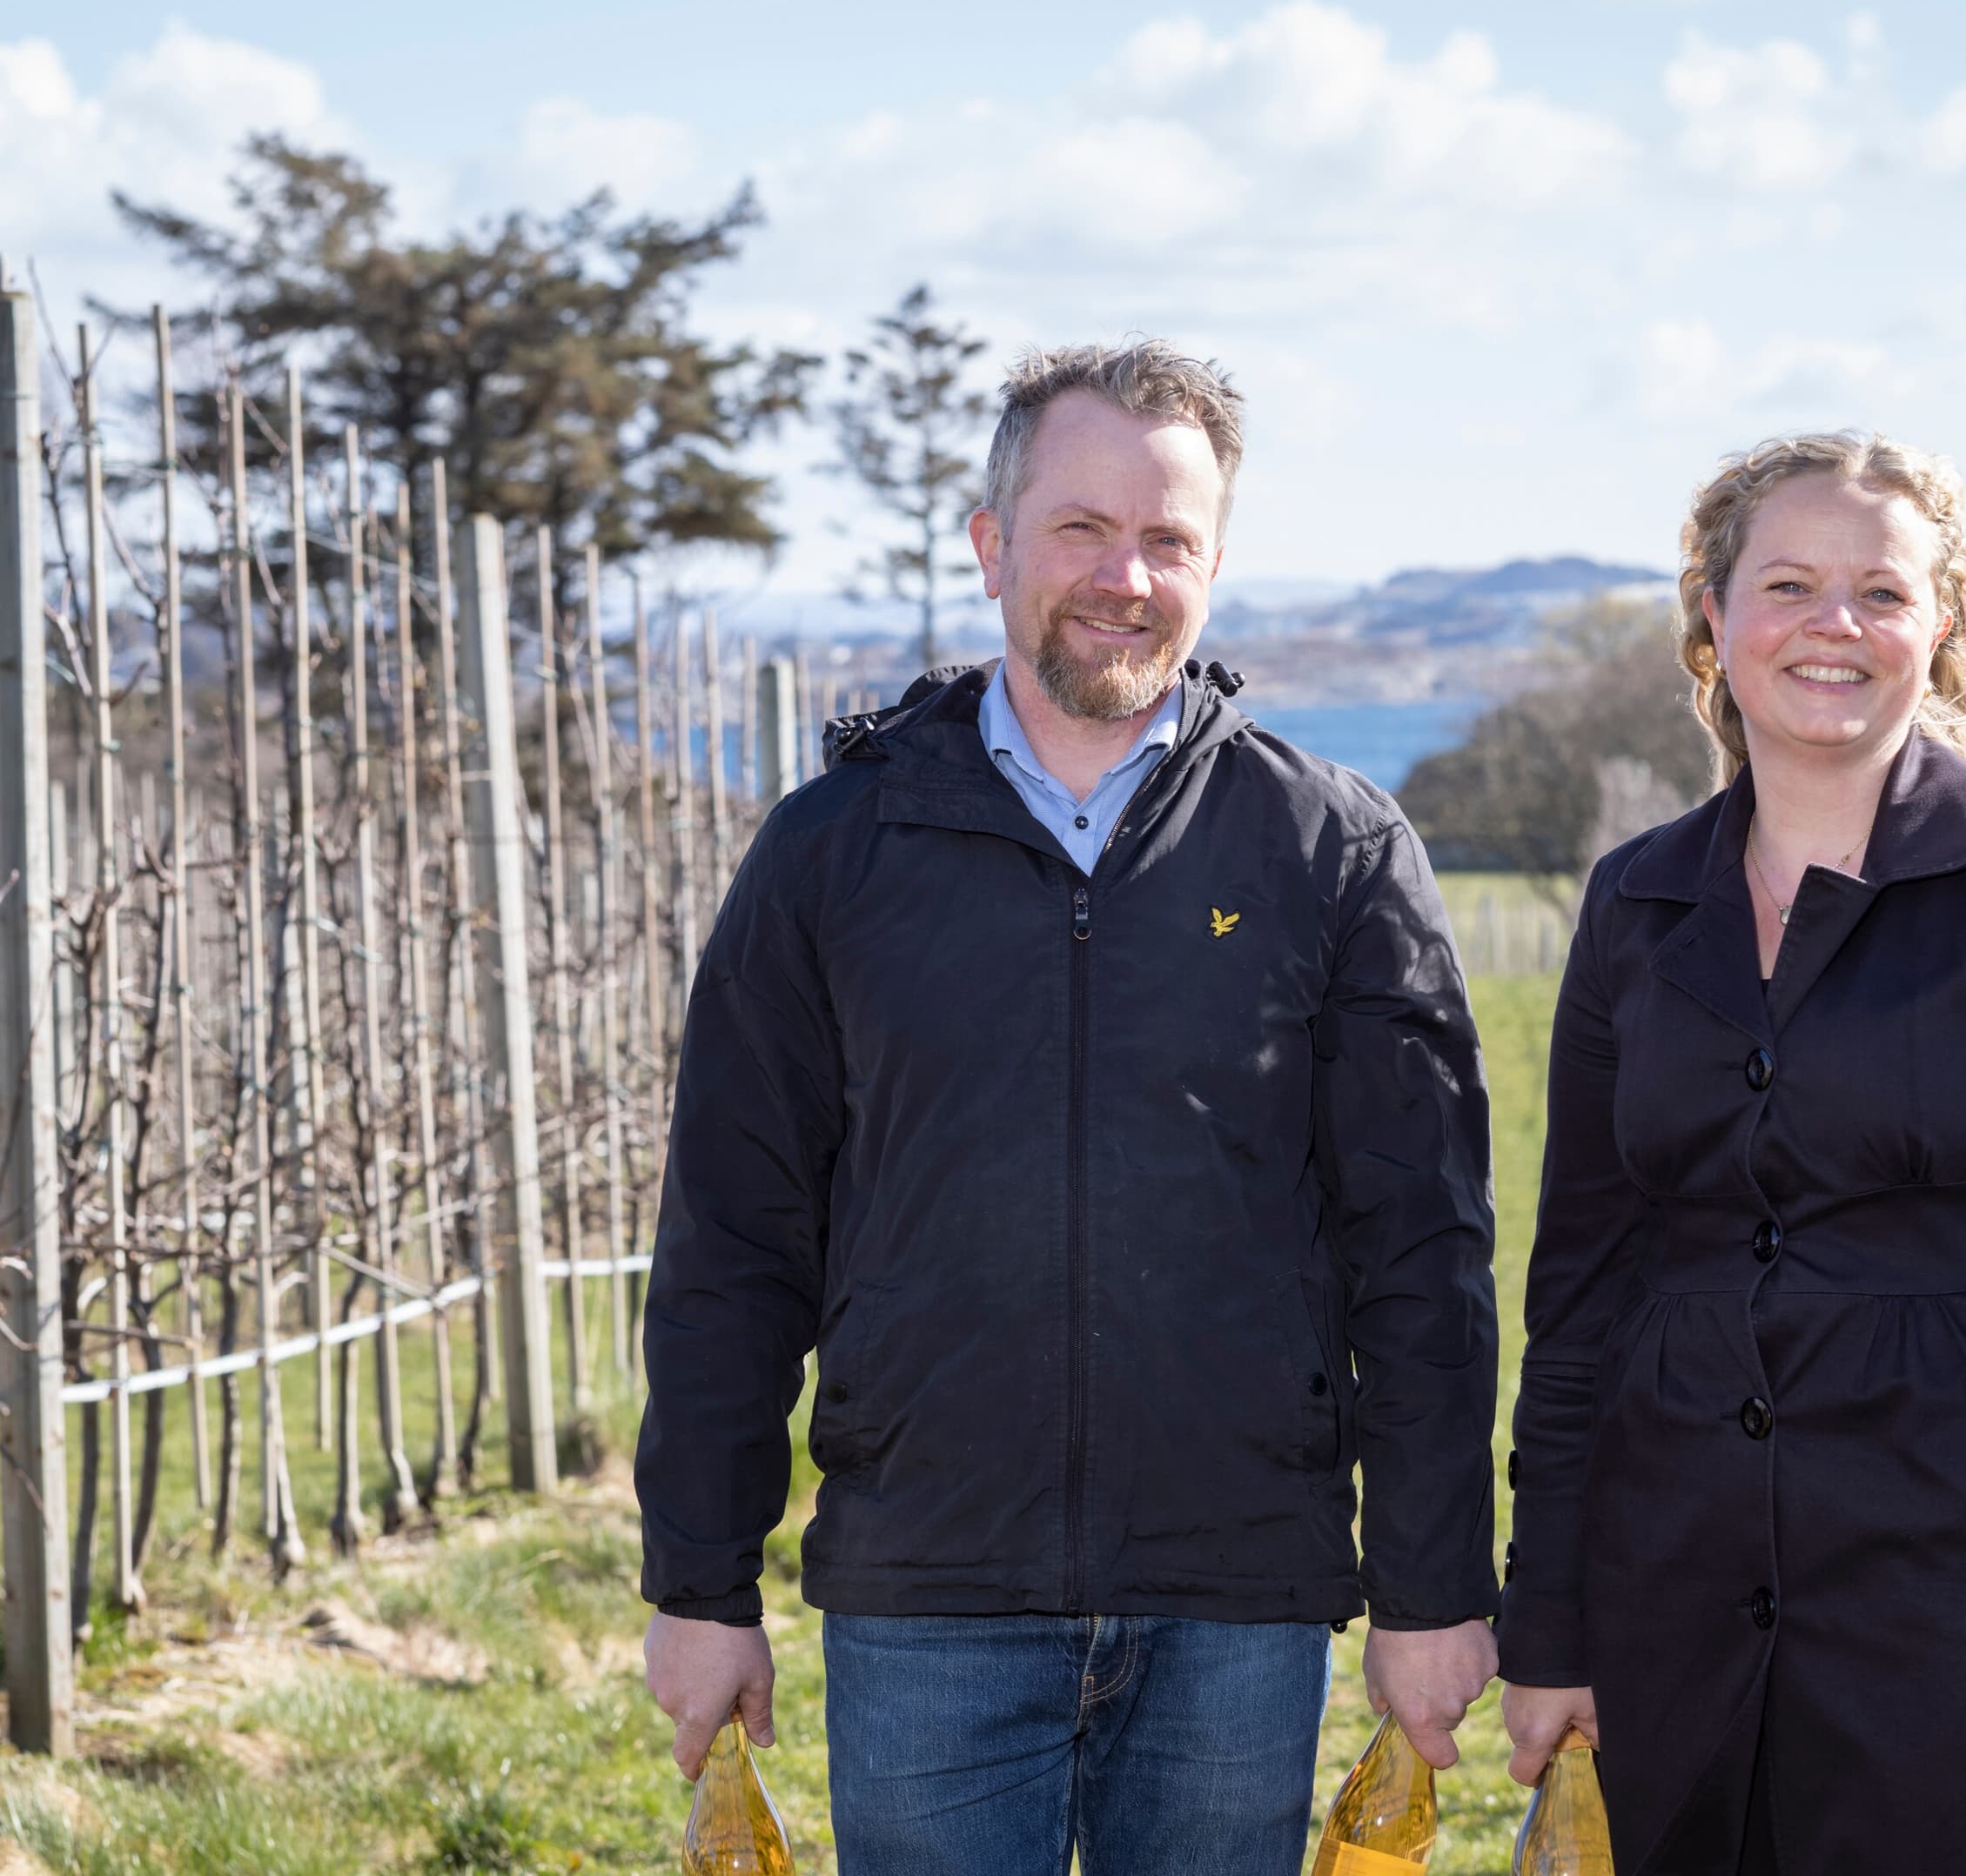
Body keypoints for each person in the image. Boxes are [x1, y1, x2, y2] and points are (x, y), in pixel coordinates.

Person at [635, 340, 1503, 1876]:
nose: (1127, 575)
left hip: (1236, 1600)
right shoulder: (835, 854)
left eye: (1169, 538)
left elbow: (1420, 1252)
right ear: (991, 547)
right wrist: (700, 1583)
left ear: (1215, 568)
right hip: (929, 1590)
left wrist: (1432, 1587)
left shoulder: (1334, 851)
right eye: (1083, 529)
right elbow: (734, 1237)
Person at [1495, 432, 1966, 1873]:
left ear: (1940, 625)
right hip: (1678, 1607)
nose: (1835, 626)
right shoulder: (1635, 905)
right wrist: (1553, 1621)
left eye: (1881, 593)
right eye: (1788, 584)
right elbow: (1579, 1293)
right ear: (1713, 616)